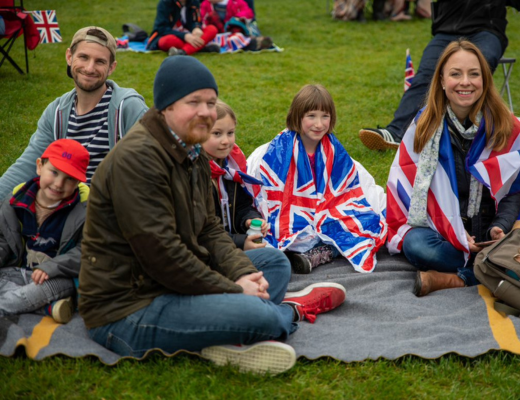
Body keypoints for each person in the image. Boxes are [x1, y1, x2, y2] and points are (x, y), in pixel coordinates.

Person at [78, 57, 346, 375]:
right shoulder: (138, 160)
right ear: (166, 106)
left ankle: (225, 334)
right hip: (129, 306)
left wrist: (243, 272)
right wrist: (234, 289)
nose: (206, 112)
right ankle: (288, 311)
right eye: (194, 102)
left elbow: (208, 226)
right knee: (262, 316)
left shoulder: (190, 148)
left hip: (174, 280)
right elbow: (162, 256)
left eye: (210, 102)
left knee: (273, 262)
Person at [386, 39, 520, 298]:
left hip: (489, 231)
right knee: (417, 245)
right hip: (443, 232)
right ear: (441, 80)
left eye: (474, 74)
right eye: (455, 74)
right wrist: (454, 233)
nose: (465, 82)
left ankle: (460, 278)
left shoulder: (502, 123)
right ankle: (494, 270)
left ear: (484, 80)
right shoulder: (424, 126)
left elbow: (515, 186)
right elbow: (410, 189)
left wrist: (501, 227)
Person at [359, 0, 520, 150]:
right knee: (427, 74)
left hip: (486, 30)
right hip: (446, 30)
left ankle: (476, 131)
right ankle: (396, 132)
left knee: (478, 70)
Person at [247, 84, 387, 274]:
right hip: (294, 217)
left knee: (362, 223)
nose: (319, 124)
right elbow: (269, 191)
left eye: (325, 116)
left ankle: (320, 253)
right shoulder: (277, 151)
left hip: (324, 210)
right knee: (283, 233)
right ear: (297, 116)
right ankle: (313, 252)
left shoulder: (334, 151)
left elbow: (347, 185)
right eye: (311, 116)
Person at [0, 26, 148, 200]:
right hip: (63, 202)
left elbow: (148, 169)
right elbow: (27, 166)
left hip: (111, 207)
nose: (89, 68)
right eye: (83, 57)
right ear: (69, 57)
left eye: (100, 61)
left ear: (111, 67)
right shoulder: (56, 112)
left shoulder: (128, 107)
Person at [0, 139, 90, 324]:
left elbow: (87, 251)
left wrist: (52, 267)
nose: (58, 184)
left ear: (79, 181)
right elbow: (3, 239)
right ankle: (49, 308)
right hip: (20, 271)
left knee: (35, 292)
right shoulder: (16, 202)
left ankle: (10, 305)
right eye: (54, 172)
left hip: (58, 278)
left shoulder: (85, 211)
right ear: (40, 166)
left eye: (69, 179)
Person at [205, 99, 268, 250]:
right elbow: (203, 231)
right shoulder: (193, 174)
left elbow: (242, 206)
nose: (226, 141)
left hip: (231, 247)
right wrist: (240, 243)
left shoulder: (231, 168)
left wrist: (250, 219)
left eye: (230, 133)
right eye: (217, 133)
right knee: (278, 261)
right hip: (209, 251)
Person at [146, 0, 219, 56]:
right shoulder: (165, 3)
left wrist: (196, 28)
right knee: (167, 41)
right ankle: (201, 49)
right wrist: (184, 36)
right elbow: (161, 28)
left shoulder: (194, 2)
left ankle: (182, 52)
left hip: (191, 36)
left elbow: (197, 20)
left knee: (212, 29)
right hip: (173, 36)